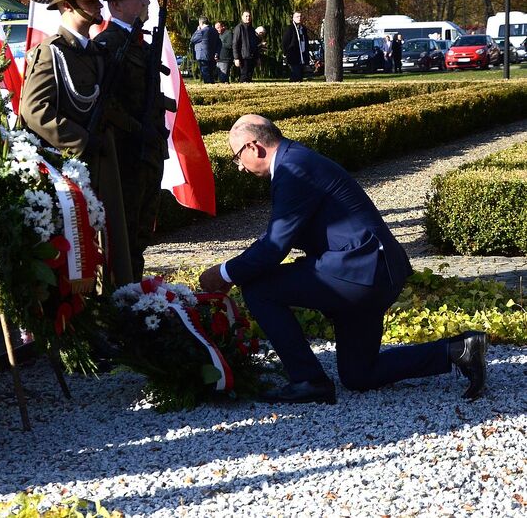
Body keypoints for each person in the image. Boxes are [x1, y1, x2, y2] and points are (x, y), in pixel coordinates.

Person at [199, 115, 488, 404]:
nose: (239, 166)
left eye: (237, 156)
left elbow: (274, 247)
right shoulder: (296, 160)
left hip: (361, 272)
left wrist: (224, 274)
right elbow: (276, 237)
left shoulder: (293, 168)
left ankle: (308, 380)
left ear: (254, 147)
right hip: (373, 271)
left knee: (259, 290)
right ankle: (459, 350)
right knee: (359, 374)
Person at [18, 0, 133, 286]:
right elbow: (33, 110)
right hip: (68, 168)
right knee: (76, 253)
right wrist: (83, 140)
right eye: (89, 0)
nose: (98, 6)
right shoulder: (51, 52)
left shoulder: (94, 52)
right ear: (68, 5)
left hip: (100, 165)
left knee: (109, 248)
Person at [94, 0, 176, 281]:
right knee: (123, 234)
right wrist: (137, 129)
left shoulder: (140, 41)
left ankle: (135, 291)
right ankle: (122, 296)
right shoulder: (108, 44)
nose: (145, 1)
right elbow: (108, 105)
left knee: (142, 233)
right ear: (116, 5)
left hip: (150, 151)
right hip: (127, 157)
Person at [189, 16, 221, 83]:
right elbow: (219, 43)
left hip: (203, 56)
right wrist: (217, 53)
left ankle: (209, 86)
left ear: (201, 23)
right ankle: (212, 85)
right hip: (212, 55)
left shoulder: (202, 31)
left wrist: (197, 30)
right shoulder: (214, 31)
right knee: (211, 74)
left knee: (206, 74)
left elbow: (192, 40)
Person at [281, 11, 310, 82]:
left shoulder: (303, 29)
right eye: (297, 17)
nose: (299, 18)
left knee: (300, 75)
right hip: (293, 56)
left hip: (302, 56)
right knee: (295, 74)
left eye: (300, 16)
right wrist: (286, 53)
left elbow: (305, 42)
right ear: (293, 18)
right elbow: (285, 42)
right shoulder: (290, 29)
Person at [232, 11, 259, 82]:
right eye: (246, 16)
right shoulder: (239, 28)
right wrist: (236, 58)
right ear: (242, 17)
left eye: (249, 16)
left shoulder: (252, 29)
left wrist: (257, 57)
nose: (248, 18)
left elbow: (254, 44)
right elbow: (235, 44)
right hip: (243, 57)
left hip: (251, 56)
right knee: (244, 76)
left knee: (249, 76)